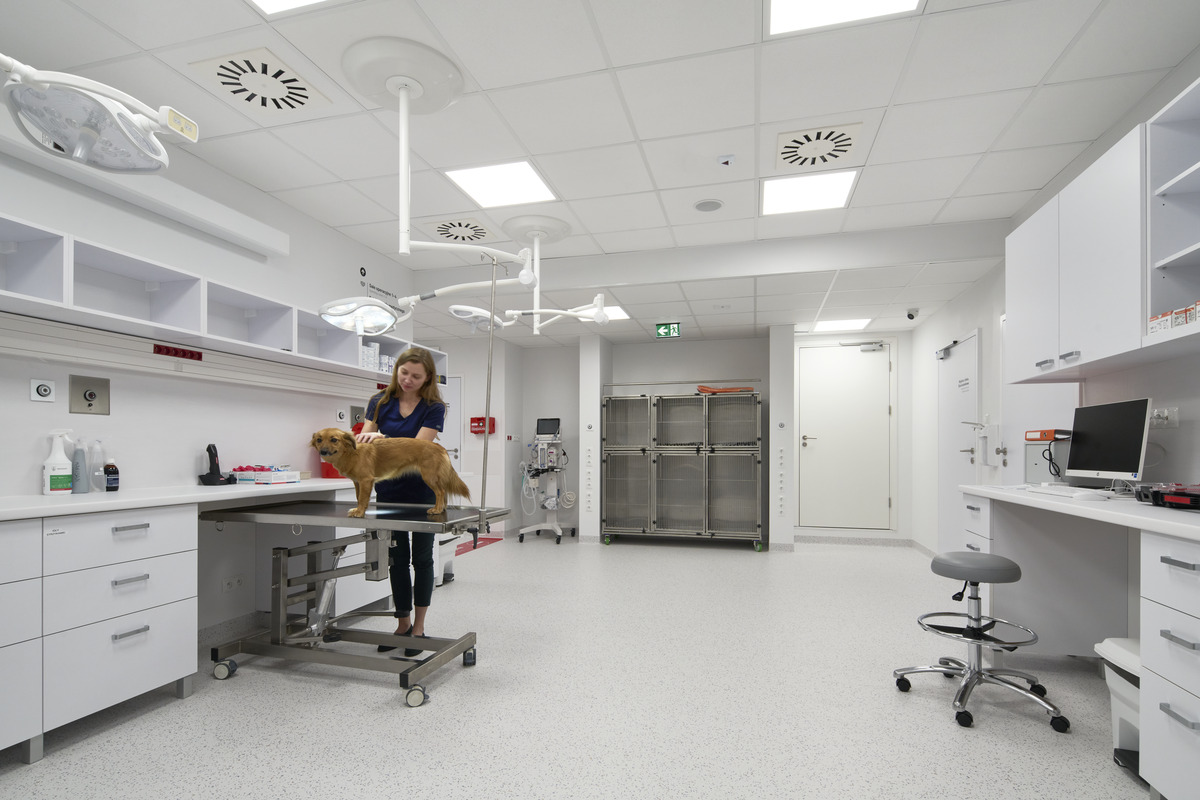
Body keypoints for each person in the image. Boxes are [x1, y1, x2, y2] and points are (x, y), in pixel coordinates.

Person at [355, 347, 446, 655]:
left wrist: (381, 440)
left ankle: (419, 628)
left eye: (416, 376)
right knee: (396, 560)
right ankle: (402, 624)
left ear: (427, 378)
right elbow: (363, 442)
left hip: (422, 494)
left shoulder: (434, 408)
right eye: (403, 373)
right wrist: (368, 440)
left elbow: (419, 449)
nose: (407, 380)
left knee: (421, 559)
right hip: (388, 493)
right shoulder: (378, 402)